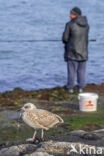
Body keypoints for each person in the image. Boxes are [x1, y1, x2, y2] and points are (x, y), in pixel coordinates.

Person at [62, 7, 89, 93]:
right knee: (81, 71)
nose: (70, 15)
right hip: (83, 52)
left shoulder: (69, 24)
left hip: (72, 52)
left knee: (71, 71)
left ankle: (70, 87)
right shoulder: (86, 25)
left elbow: (65, 39)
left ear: (75, 14)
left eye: (71, 13)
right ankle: (80, 87)